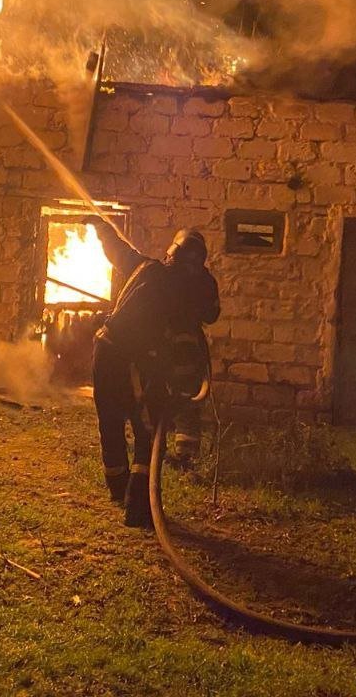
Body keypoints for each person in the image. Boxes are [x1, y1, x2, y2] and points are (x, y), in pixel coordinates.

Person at [90, 217, 220, 527]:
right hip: (135, 359)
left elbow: (117, 249)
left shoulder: (147, 267)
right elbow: (210, 315)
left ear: (169, 253)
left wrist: (101, 226)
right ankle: (137, 506)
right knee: (148, 430)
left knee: (110, 420)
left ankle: (118, 489)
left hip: (106, 349)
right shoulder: (191, 289)